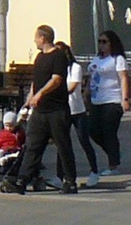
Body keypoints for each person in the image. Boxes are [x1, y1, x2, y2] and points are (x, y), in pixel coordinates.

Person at [8, 25, 78, 193]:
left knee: (63, 146)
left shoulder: (58, 56)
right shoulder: (39, 57)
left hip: (57, 110)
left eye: (36, 37)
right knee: (33, 145)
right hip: (40, 112)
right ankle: (22, 179)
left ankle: (70, 181)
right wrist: (30, 97)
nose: (34, 40)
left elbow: (56, 80)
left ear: (43, 38)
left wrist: (40, 94)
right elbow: (37, 80)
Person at [80, 30, 131, 183]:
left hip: (113, 100)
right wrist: (86, 95)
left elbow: (123, 78)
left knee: (109, 131)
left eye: (105, 42)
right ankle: (113, 153)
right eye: (100, 41)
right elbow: (91, 78)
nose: (102, 45)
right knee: (93, 130)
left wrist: (125, 98)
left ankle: (113, 165)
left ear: (111, 43)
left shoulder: (117, 59)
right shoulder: (97, 59)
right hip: (96, 100)